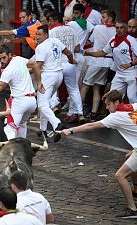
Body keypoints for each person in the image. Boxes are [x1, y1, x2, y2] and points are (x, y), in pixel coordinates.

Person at [61, 90, 137, 218]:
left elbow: (92, 126)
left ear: (117, 102)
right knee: (128, 157)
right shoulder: (133, 106)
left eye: (108, 105)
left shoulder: (116, 116)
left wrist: (71, 130)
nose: (107, 108)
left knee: (120, 176)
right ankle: (136, 189)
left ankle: (132, 209)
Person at [34, 25, 75, 142]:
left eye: (39, 34)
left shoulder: (40, 47)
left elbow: (38, 68)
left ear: (46, 35)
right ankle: (43, 130)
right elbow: (68, 53)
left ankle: (57, 124)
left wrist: (37, 81)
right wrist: (72, 62)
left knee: (42, 104)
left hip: (48, 76)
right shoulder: (56, 41)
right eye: (36, 34)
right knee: (45, 103)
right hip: (58, 75)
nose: (37, 37)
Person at [85, 21, 137, 104]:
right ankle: (117, 116)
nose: (119, 30)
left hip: (131, 73)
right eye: (117, 28)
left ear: (126, 29)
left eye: (121, 28)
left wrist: (130, 64)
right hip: (119, 73)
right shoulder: (113, 39)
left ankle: (134, 116)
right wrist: (89, 53)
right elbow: (103, 52)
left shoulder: (131, 40)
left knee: (132, 98)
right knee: (112, 98)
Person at [48, 11, 84, 124]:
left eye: (49, 21)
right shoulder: (72, 30)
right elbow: (77, 48)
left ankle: (54, 105)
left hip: (57, 64)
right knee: (74, 89)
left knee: (51, 86)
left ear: (54, 21)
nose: (49, 23)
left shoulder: (51, 32)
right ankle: (80, 113)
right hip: (69, 63)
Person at [80, 10, 116, 121]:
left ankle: (78, 111)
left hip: (97, 60)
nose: (101, 19)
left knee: (85, 86)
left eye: (104, 17)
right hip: (108, 62)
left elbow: (91, 40)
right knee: (97, 88)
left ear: (110, 18)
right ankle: (94, 113)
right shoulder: (116, 30)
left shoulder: (98, 28)